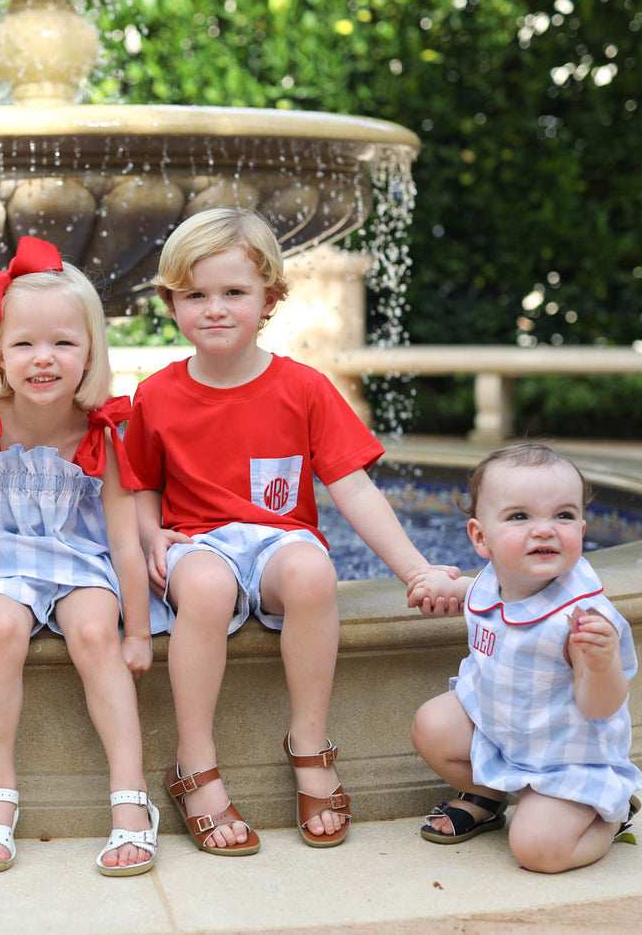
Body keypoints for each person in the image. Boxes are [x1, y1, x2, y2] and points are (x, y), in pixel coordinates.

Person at [123, 206, 464, 855]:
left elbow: (354, 489)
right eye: (195, 295)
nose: (214, 308)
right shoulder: (157, 394)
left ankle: (309, 744)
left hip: (279, 540)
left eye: (233, 292)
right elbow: (139, 480)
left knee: (312, 571)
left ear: (269, 299)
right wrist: (149, 536)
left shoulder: (302, 387)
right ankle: (193, 763)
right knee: (200, 585)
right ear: (171, 303)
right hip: (199, 540)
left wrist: (415, 568)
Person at [0, 236, 160, 876]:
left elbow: (121, 541)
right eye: (24, 343)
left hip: (76, 555)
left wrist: (137, 630)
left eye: (63, 342)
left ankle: (130, 801)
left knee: (93, 630)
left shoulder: (103, 430)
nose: (43, 359)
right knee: (0, 627)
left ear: (90, 351)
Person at [409, 442, 642, 872]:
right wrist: (448, 587)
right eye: (520, 516)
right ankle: (486, 796)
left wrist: (602, 663)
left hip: (564, 757)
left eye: (563, 515)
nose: (545, 529)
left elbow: (601, 706)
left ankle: (610, 813)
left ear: (583, 528)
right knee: (432, 725)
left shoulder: (580, 619)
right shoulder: (497, 579)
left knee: (538, 851)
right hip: (504, 729)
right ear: (482, 538)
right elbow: (483, 595)